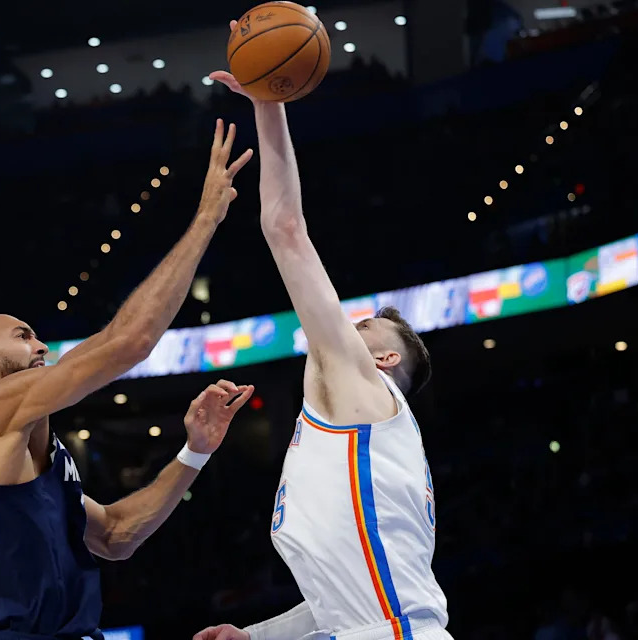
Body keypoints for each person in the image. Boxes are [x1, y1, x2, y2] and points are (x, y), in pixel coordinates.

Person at [0, 119, 255, 640]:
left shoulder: (23, 448)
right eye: (23, 336)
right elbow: (128, 342)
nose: (40, 346)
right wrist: (206, 219)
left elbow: (117, 536)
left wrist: (196, 450)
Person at [193, 29, 451, 640]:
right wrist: (253, 636)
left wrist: (266, 99)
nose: (342, 326)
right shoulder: (367, 446)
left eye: (363, 326)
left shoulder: (365, 390)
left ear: (383, 360)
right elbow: (341, 602)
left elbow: (284, 227)